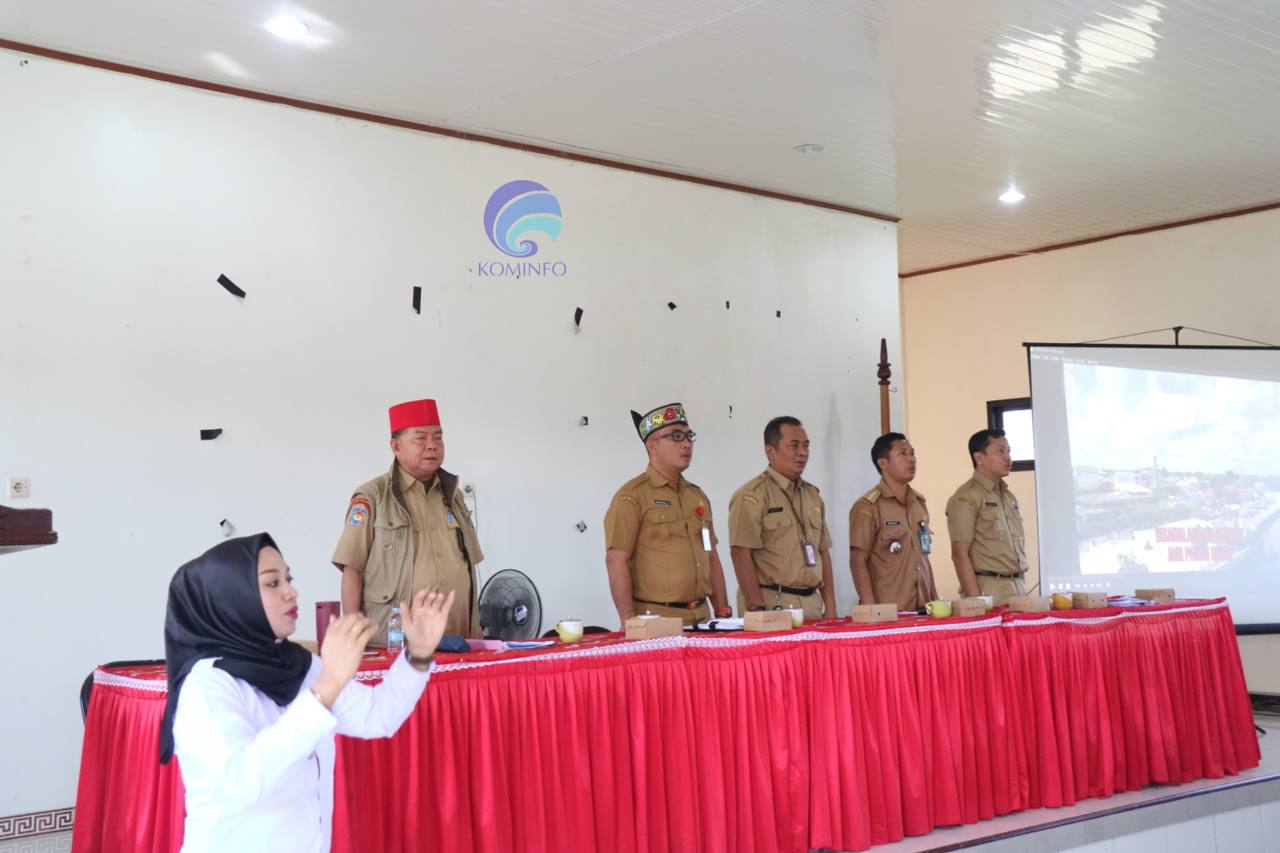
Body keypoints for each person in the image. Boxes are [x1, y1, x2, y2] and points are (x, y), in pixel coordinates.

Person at [160, 532, 454, 853]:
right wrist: (326, 687)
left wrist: (418, 654)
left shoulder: (299, 666)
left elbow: (377, 716)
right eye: (273, 583)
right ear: (233, 598)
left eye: (288, 579)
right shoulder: (206, 684)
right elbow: (239, 782)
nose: (291, 591)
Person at [332, 398, 482, 642]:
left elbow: (468, 564)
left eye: (438, 437)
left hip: (459, 638)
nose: (431, 445)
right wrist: (353, 635)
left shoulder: (452, 495)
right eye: (420, 438)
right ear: (396, 446)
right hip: (395, 644)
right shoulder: (373, 497)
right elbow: (352, 569)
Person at [603, 402, 733, 626]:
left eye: (689, 436)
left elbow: (711, 556)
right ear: (652, 445)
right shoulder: (631, 497)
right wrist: (628, 622)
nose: (687, 444)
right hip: (656, 620)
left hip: (702, 618)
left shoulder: (697, 496)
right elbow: (616, 560)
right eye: (676, 436)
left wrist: (722, 613)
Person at [727, 416, 836, 620]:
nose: (802, 452)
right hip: (772, 603)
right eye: (794, 446)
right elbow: (740, 554)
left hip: (812, 605)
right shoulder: (752, 496)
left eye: (806, 446)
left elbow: (823, 552)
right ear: (771, 451)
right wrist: (757, 608)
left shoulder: (812, 495)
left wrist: (830, 607)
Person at [849, 432, 938, 610]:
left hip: (924, 608)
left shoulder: (918, 503)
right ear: (883, 463)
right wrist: (871, 609)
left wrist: (935, 601)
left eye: (912, 453)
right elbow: (858, 561)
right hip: (889, 611)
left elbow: (923, 558)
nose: (911, 459)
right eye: (903, 454)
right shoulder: (867, 507)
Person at [945, 428, 1030, 605]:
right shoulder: (967, 497)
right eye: (1000, 451)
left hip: (1018, 587)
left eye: (1009, 451)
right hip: (989, 589)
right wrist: (977, 602)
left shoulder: (1009, 497)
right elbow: (959, 555)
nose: (1007, 457)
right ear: (979, 458)